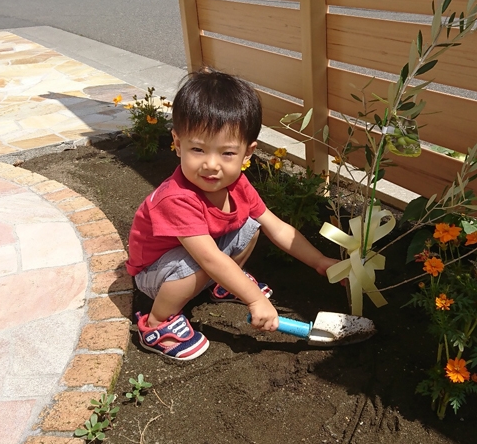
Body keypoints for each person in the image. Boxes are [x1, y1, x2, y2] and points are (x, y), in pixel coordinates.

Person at [127, 68, 339, 361]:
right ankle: (157, 325)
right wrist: (254, 300)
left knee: (251, 223)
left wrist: (320, 261)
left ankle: (222, 282)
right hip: (156, 274)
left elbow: (275, 226)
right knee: (196, 263)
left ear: (247, 153)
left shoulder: (237, 184)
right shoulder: (176, 197)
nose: (211, 165)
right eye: (198, 149)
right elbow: (209, 258)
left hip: (193, 259)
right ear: (177, 143)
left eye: (227, 153)